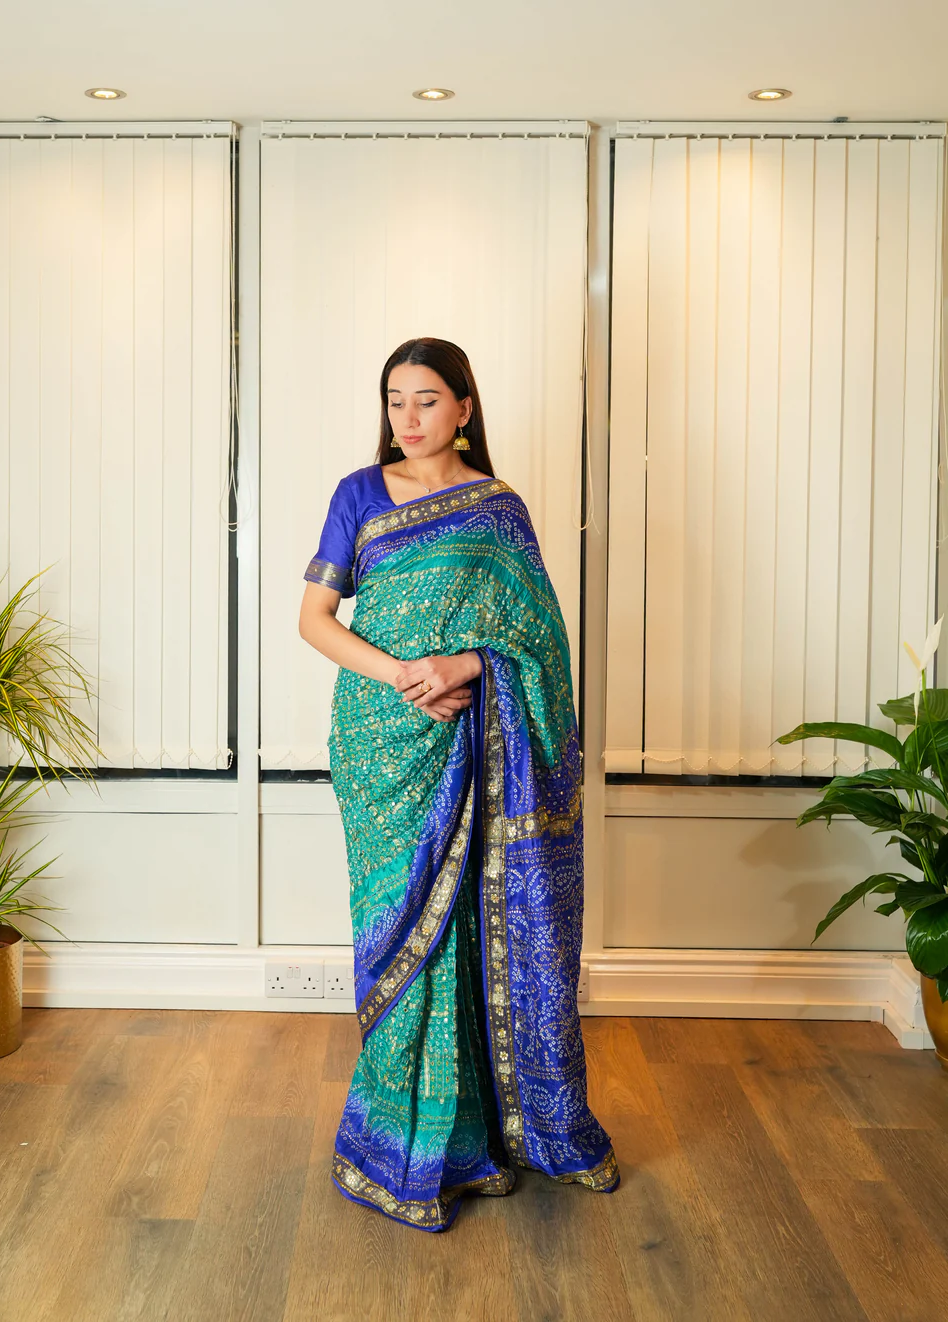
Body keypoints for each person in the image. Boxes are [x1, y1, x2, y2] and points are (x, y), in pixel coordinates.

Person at [298, 336, 619, 1232]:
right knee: (398, 932)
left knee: (473, 926)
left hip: (475, 739)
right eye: (395, 400)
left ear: (465, 407)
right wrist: (406, 675)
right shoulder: (358, 494)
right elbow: (315, 619)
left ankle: (480, 1136)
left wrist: (464, 664)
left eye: (427, 400)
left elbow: (540, 644)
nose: (408, 418)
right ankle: (398, 1141)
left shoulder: (498, 509)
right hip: (380, 743)